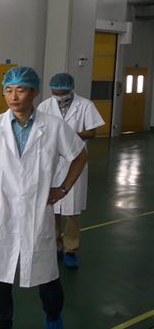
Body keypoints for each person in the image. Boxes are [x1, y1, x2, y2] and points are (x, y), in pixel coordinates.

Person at [0, 67, 87, 329]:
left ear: (34, 92)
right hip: (2, 209)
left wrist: (64, 188)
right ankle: (1, 328)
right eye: (8, 90)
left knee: (46, 271)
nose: (13, 96)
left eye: (20, 90)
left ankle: (53, 316)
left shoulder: (53, 126)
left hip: (38, 209)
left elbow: (80, 155)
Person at [37, 72, 104, 269]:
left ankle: (71, 249)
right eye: (55, 93)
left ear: (70, 89)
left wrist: (69, 134)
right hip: (51, 161)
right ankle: (55, 245)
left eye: (62, 93)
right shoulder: (44, 106)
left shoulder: (85, 106)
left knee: (72, 210)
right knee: (51, 207)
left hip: (75, 160)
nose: (59, 96)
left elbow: (92, 132)